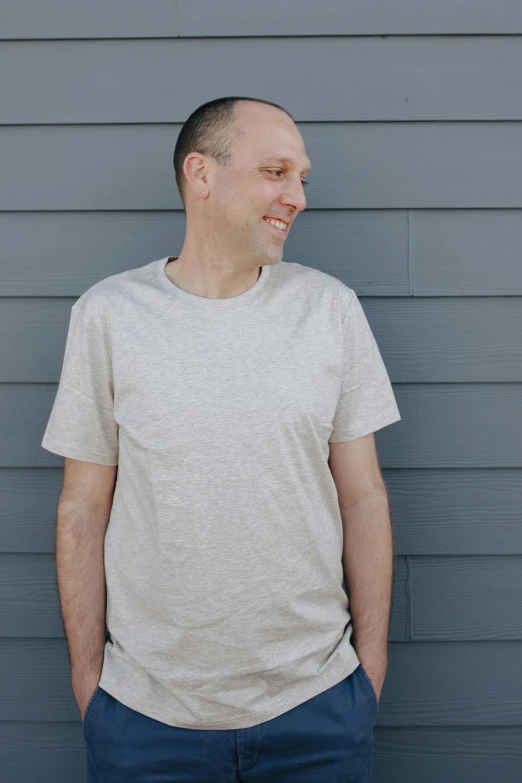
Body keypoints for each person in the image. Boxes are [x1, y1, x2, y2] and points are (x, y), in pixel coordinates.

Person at [41, 96, 401, 782]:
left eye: (302, 178)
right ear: (201, 175)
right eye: (275, 171)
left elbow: (365, 497)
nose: (296, 196)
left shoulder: (329, 310)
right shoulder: (109, 316)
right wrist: (93, 689)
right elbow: (81, 510)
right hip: (146, 722)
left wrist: (367, 677)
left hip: (317, 710)